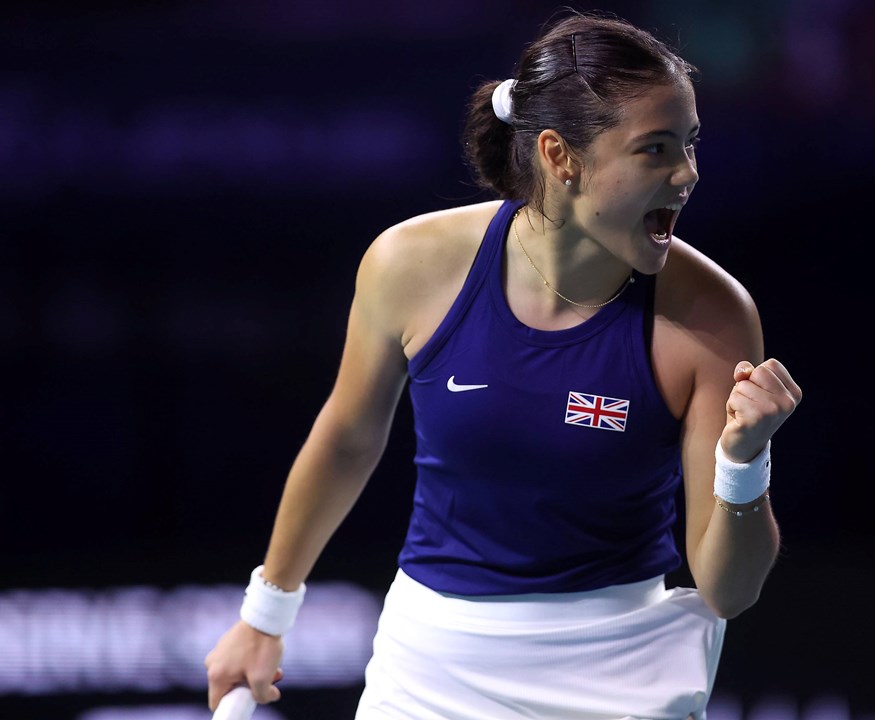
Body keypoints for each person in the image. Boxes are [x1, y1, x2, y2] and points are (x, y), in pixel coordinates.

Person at [205, 9, 802, 720]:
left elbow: (728, 590)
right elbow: (348, 438)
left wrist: (744, 462)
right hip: (433, 660)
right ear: (559, 156)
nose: (687, 174)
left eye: (691, 144)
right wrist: (264, 615)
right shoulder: (410, 265)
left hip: (622, 665)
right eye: (655, 150)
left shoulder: (712, 316)